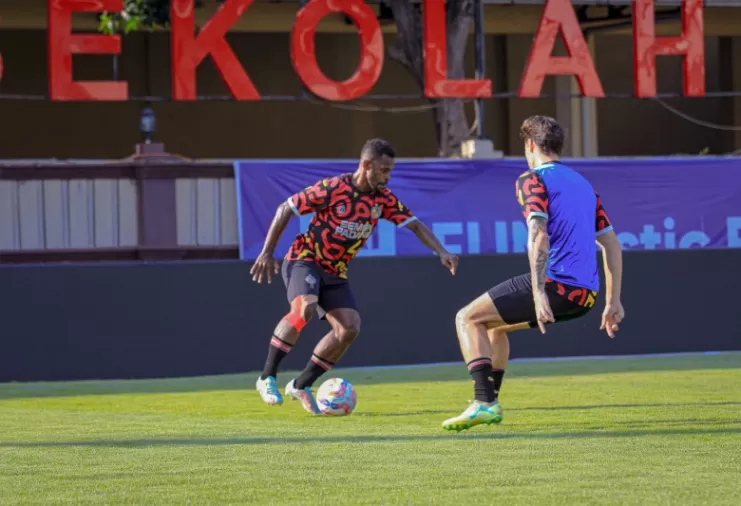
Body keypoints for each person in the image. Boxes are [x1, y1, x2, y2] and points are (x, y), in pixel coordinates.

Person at [441, 115, 625, 432]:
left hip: (557, 285)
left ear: (529, 145)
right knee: (494, 329)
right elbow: (611, 244)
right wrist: (613, 302)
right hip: (586, 297)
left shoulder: (532, 179)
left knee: (466, 318)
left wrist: (539, 293)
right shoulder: (583, 184)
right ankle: (491, 404)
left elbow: (539, 234)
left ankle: (483, 402)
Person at [250, 138, 459, 415]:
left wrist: (441, 252)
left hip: (335, 271)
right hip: (305, 258)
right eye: (383, 170)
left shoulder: (382, 200)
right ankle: (267, 377)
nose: (387, 176)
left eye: (390, 171)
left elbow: (415, 225)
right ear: (366, 164)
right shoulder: (333, 188)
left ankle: (301, 384)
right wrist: (267, 253)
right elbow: (285, 207)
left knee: (349, 327)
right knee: (305, 307)